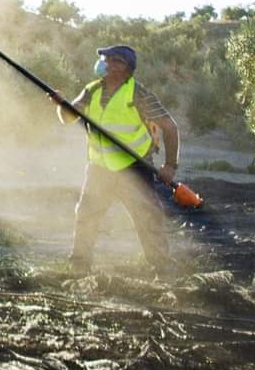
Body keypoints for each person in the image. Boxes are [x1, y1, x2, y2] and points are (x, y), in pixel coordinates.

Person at [52, 45, 179, 274]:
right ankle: (79, 266)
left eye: (113, 60)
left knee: (148, 219)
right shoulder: (92, 90)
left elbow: (170, 127)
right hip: (99, 168)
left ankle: (163, 268)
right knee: (86, 216)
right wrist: (61, 105)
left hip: (134, 168)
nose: (106, 64)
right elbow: (68, 118)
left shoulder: (138, 94)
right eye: (105, 59)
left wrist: (170, 165)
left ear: (126, 68)